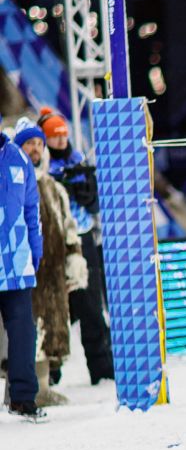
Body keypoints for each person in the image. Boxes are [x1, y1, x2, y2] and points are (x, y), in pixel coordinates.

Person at [14, 118, 88, 406]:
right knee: (22, 334)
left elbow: (69, 227)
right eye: (29, 143)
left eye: (38, 144)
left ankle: (42, 388)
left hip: (52, 274)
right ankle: (24, 391)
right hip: (20, 272)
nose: (35, 149)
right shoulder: (9, 181)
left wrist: (75, 261)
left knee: (48, 334)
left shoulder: (53, 187)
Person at [38, 107, 115, 384]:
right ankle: (50, 371)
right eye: (54, 136)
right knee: (55, 309)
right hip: (53, 243)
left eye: (63, 136)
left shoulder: (77, 160)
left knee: (91, 306)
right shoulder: (42, 167)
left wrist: (87, 193)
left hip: (81, 237)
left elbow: (95, 204)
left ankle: (102, 367)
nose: (60, 141)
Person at [0, 116, 44, 419]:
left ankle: (23, 399)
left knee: (23, 332)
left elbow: (32, 209)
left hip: (15, 262)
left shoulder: (19, 158)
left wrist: (36, 249)